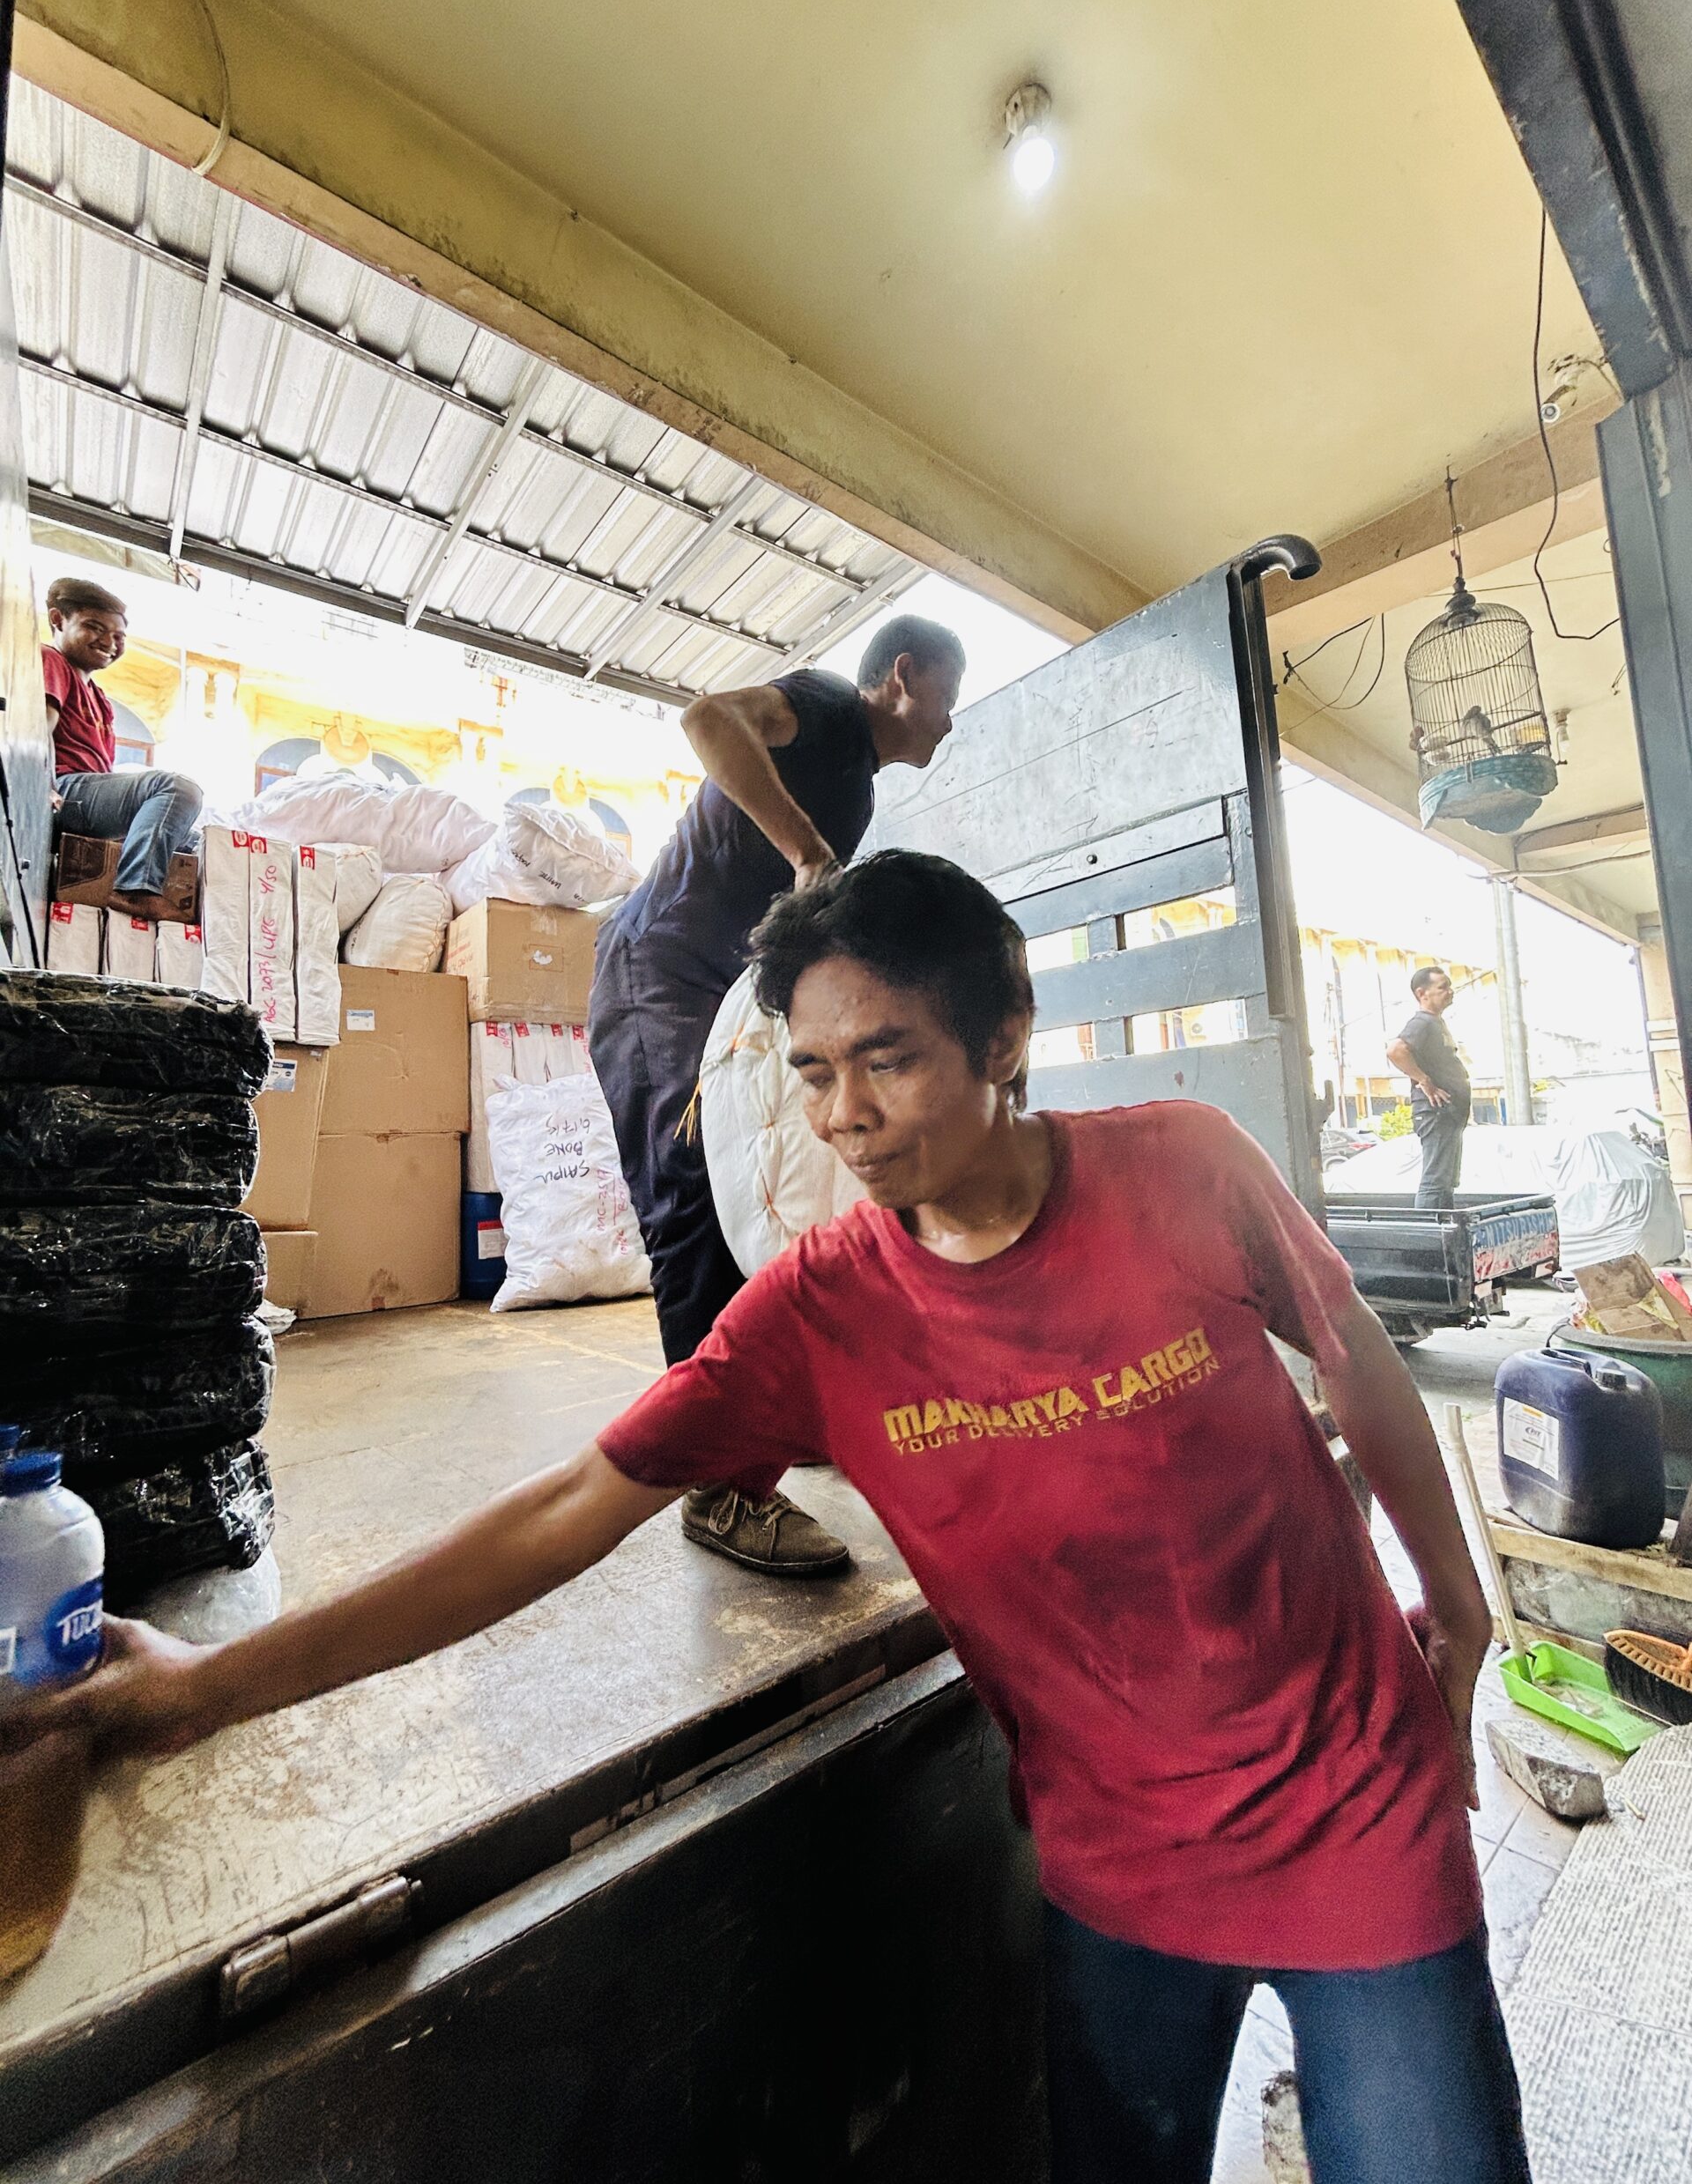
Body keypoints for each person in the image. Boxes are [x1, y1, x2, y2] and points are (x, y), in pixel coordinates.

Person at [6, 852, 1525, 2184]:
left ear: (1005, 1043)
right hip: (1117, 1870)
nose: (847, 1119)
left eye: (890, 1060)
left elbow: (1354, 1352)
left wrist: (1459, 1612)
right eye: (811, 1074)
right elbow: (562, 1516)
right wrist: (208, 1691)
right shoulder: (822, 1314)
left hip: (1364, 1820)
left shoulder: (1182, 1165)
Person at [589, 614, 964, 1574]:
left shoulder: (861, 790)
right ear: (904, 676)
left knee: (773, 1182)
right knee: (693, 1186)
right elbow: (709, 719)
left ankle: (777, 1416)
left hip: (716, 990)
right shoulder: (829, 707)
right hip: (655, 973)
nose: (951, 724)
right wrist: (804, 852)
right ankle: (715, 1485)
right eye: (948, 700)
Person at [42, 578, 202, 916]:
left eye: (118, 637)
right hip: (63, 790)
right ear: (58, 620)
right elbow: (38, 730)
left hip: (86, 800)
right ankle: (135, 889)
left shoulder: (100, 700)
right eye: (94, 627)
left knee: (195, 839)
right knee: (178, 789)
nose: (109, 642)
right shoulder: (52, 661)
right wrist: (39, 786)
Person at [1387, 966, 1473, 1211]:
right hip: (1436, 1112)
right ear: (1422, 993)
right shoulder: (1421, 1022)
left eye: (1449, 986)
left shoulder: (1435, 1022)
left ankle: (1443, 1236)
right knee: (1435, 1181)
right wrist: (1425, 1081)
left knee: (1444, 1182)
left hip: (1448, 1113)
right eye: (1443, 987)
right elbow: (1395, 1050)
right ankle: (1429, 1240)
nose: (1450, 991)